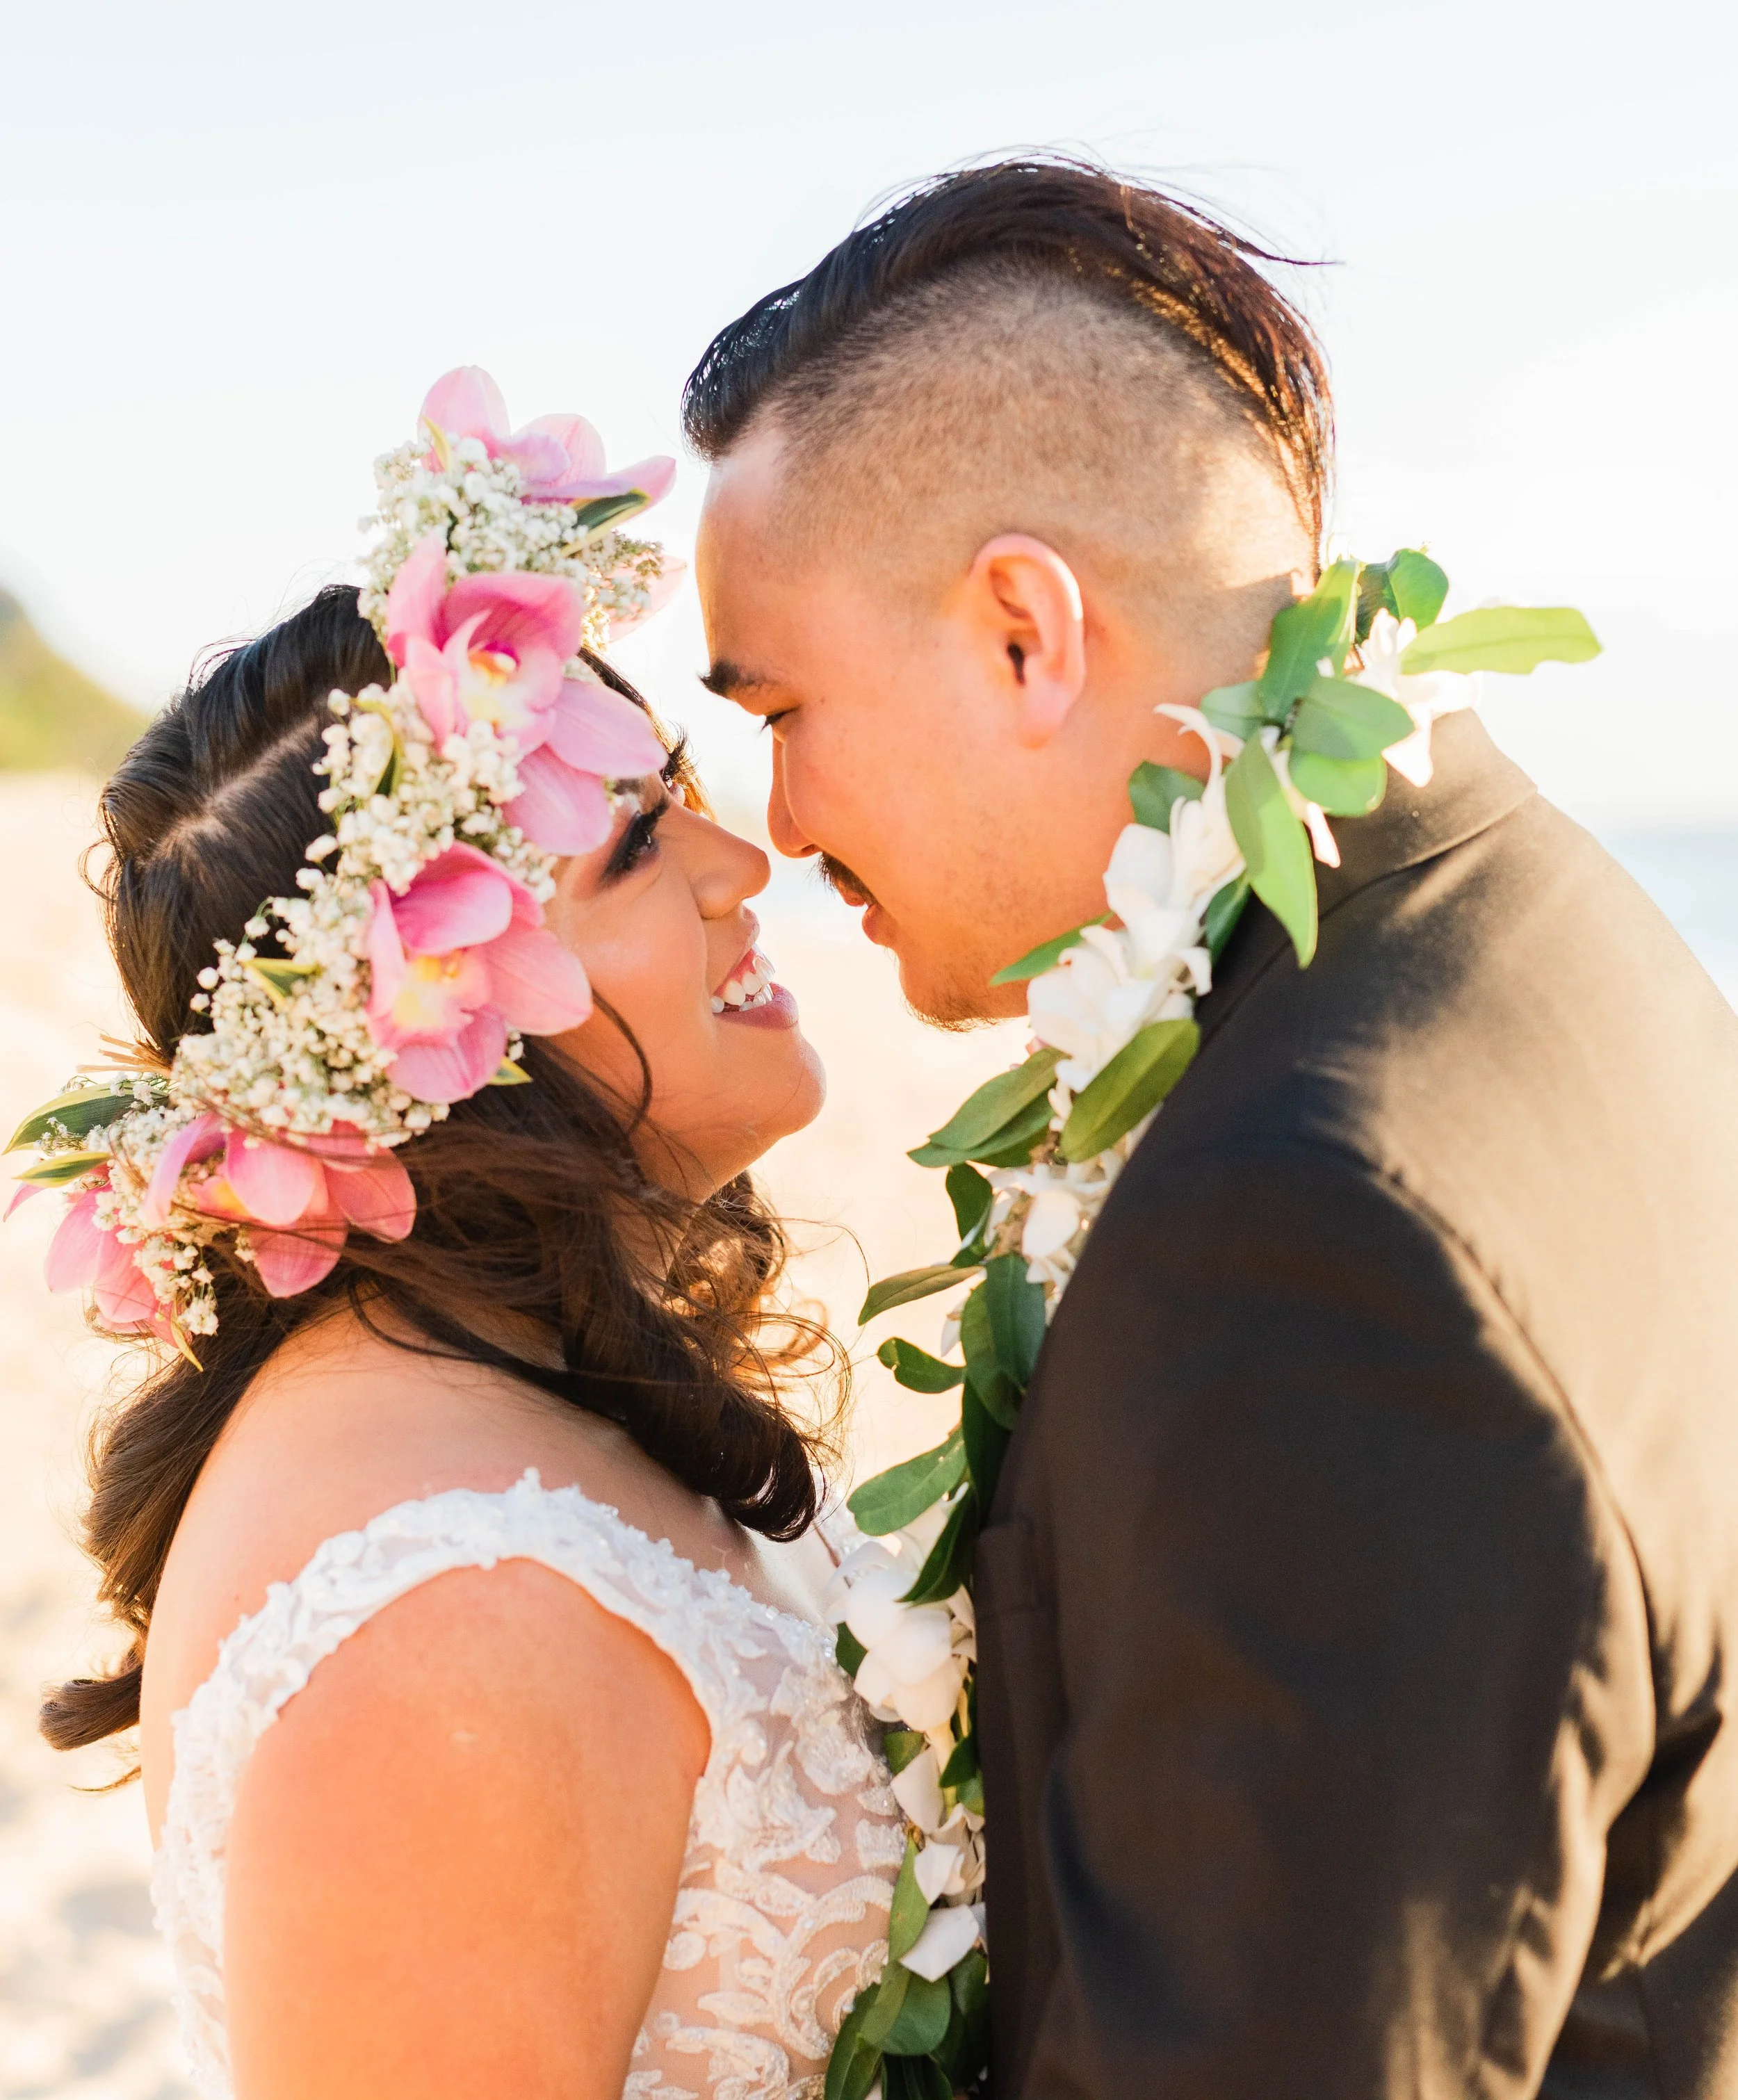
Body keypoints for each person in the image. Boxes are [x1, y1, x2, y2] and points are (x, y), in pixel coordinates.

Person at [687, 158, 1738, 2095]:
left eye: (784, 706)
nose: (779, 819)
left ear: (1024, 629)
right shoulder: (1542, 930)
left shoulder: (1310, 1239)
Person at [32, 375, 904, 2099]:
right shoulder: (453, 1611)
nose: (748, 863)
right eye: (645, 843)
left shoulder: (492, 1398)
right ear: (445, 1024)